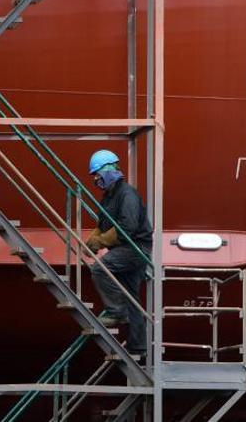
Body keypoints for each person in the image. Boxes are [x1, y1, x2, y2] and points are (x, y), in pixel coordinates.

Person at [85, 149, 152, 356]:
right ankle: (138, 346)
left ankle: (116, 312)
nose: (95, 179)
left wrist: (100, 241)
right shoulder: (109, 197)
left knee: (100, 269)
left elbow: (127, 227)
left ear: (108, 170)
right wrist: (92, 240)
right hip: (124, 248)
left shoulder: (127, 194)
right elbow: (103, 223)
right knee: (131, 296)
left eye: (96, 174)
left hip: (136, 248)